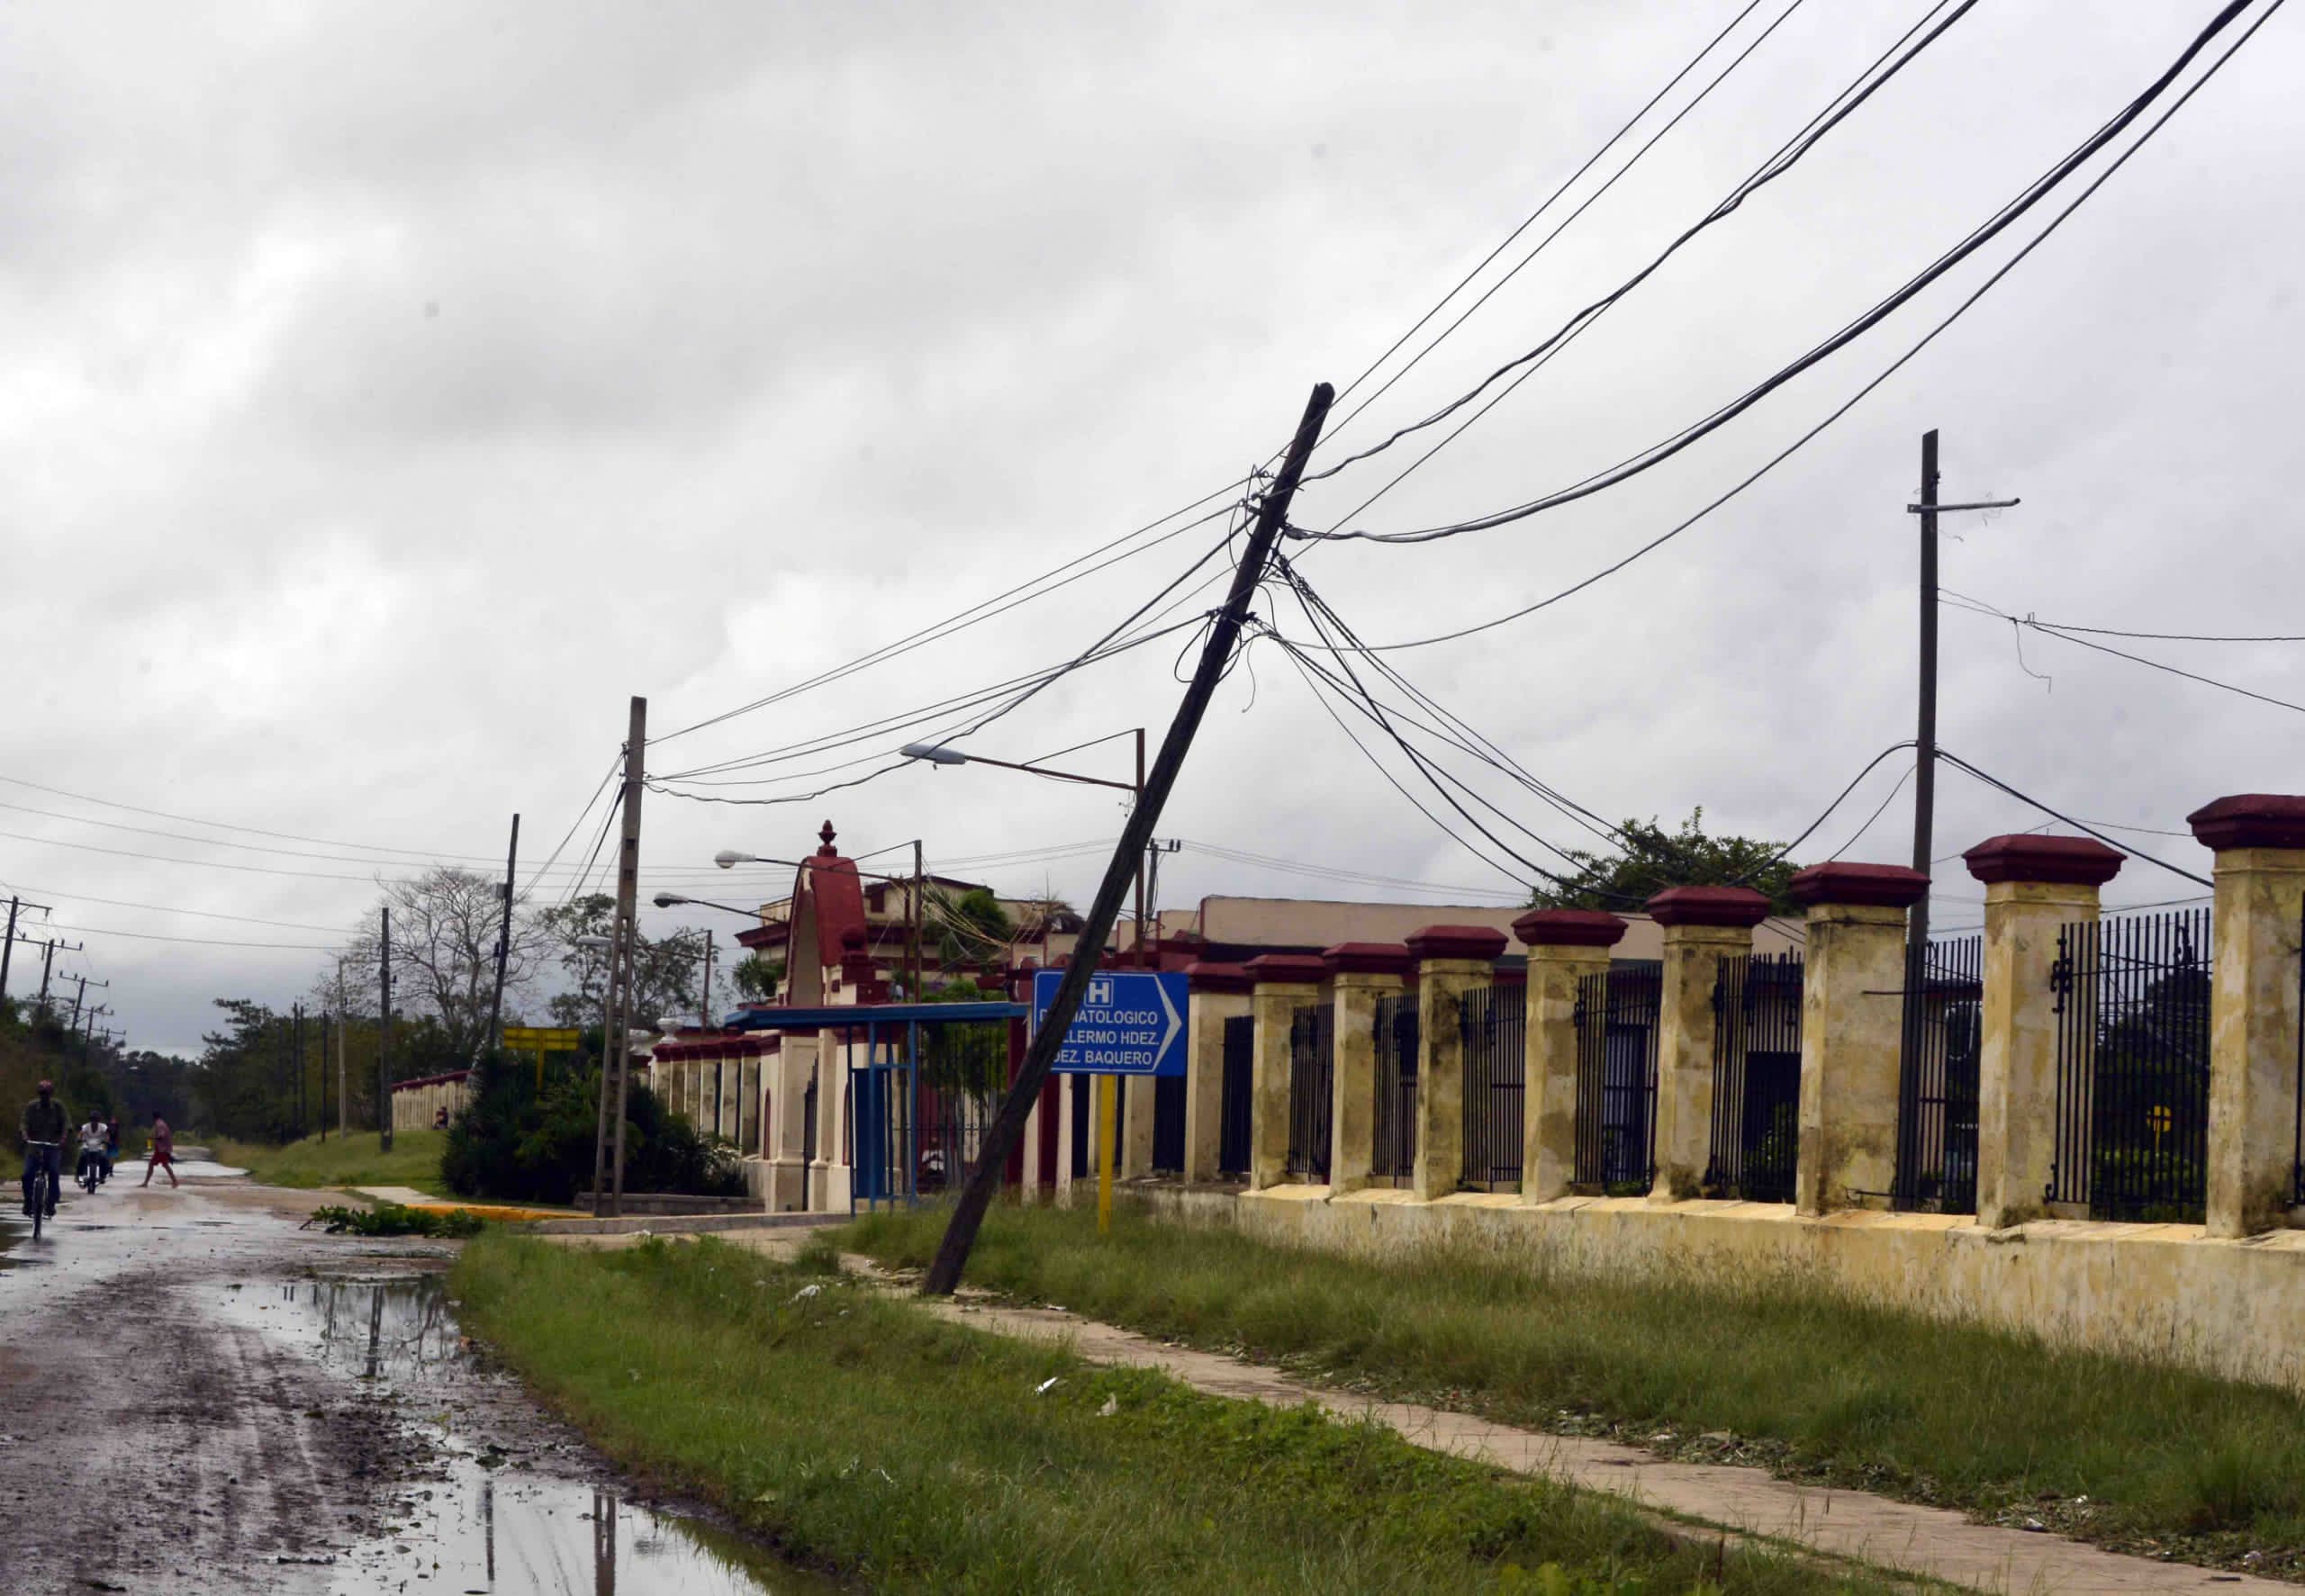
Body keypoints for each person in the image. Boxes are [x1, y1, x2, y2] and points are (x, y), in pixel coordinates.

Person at [19, 1079, 68, 1219]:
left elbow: (66, 1124)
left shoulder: (58, 1107)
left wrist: (63, 1138)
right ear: (38, 1094)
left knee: (53, 1171)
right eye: (41, 1093)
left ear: (51, 1094)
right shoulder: (31, 1107)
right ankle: (28, 1202)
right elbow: (24, 1122)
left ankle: (51, 1203)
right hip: (34, 1147)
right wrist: (24, 1135)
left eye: (46, 1093)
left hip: (52, 1148)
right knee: (27, 1175)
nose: (44, 1096)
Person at [140, 1112, 179, 1189]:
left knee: (154, 1164)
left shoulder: (159, 1125)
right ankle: (174, 1181)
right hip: (162, 1148)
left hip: (162, 1149)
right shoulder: (162, 1123)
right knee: (164, 1165)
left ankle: (146, 1183)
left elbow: (161, 1136)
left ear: (154, 1117)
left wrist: (152, 1139)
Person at [77, 1112, 111, 1190]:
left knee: (104, 1158)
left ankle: (102, 1175)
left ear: (99, 1120)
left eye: (96, 1120)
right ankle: (80, 1174)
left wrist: (107, 1140)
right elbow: (80, 1133)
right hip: (87, 1146)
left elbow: (107, 1134)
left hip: (99, 1146)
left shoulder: (103, 1127)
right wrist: (78, 1138)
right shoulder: (86, 1126)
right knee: (82, 1156)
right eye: (93, 1120)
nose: (94, 1121)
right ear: (90, 1120)